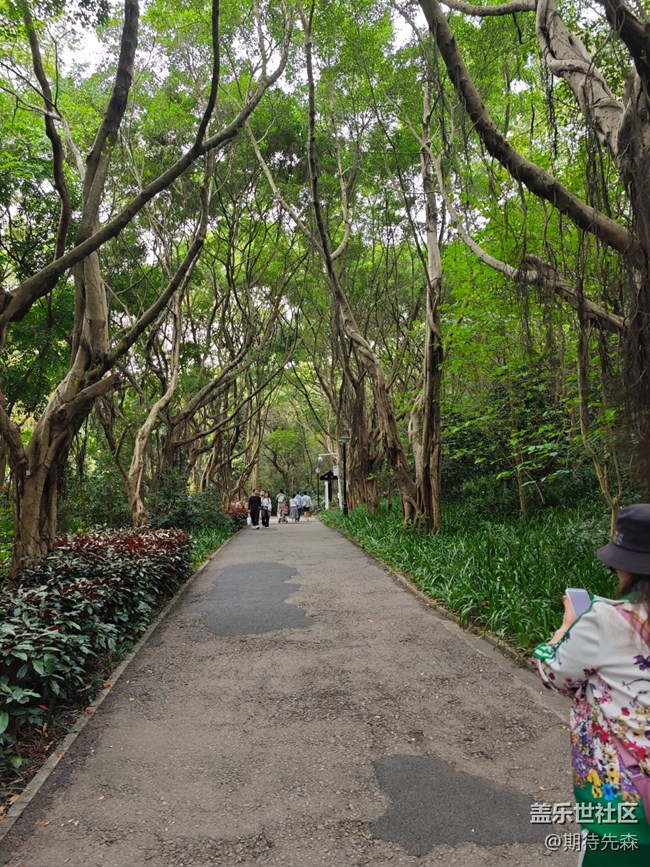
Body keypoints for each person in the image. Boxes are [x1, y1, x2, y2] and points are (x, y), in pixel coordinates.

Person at [533, 504, 650, 865]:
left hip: (624, 797)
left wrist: (567, 626)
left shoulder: (606, 620)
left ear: (624, 565)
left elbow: (556, 672)